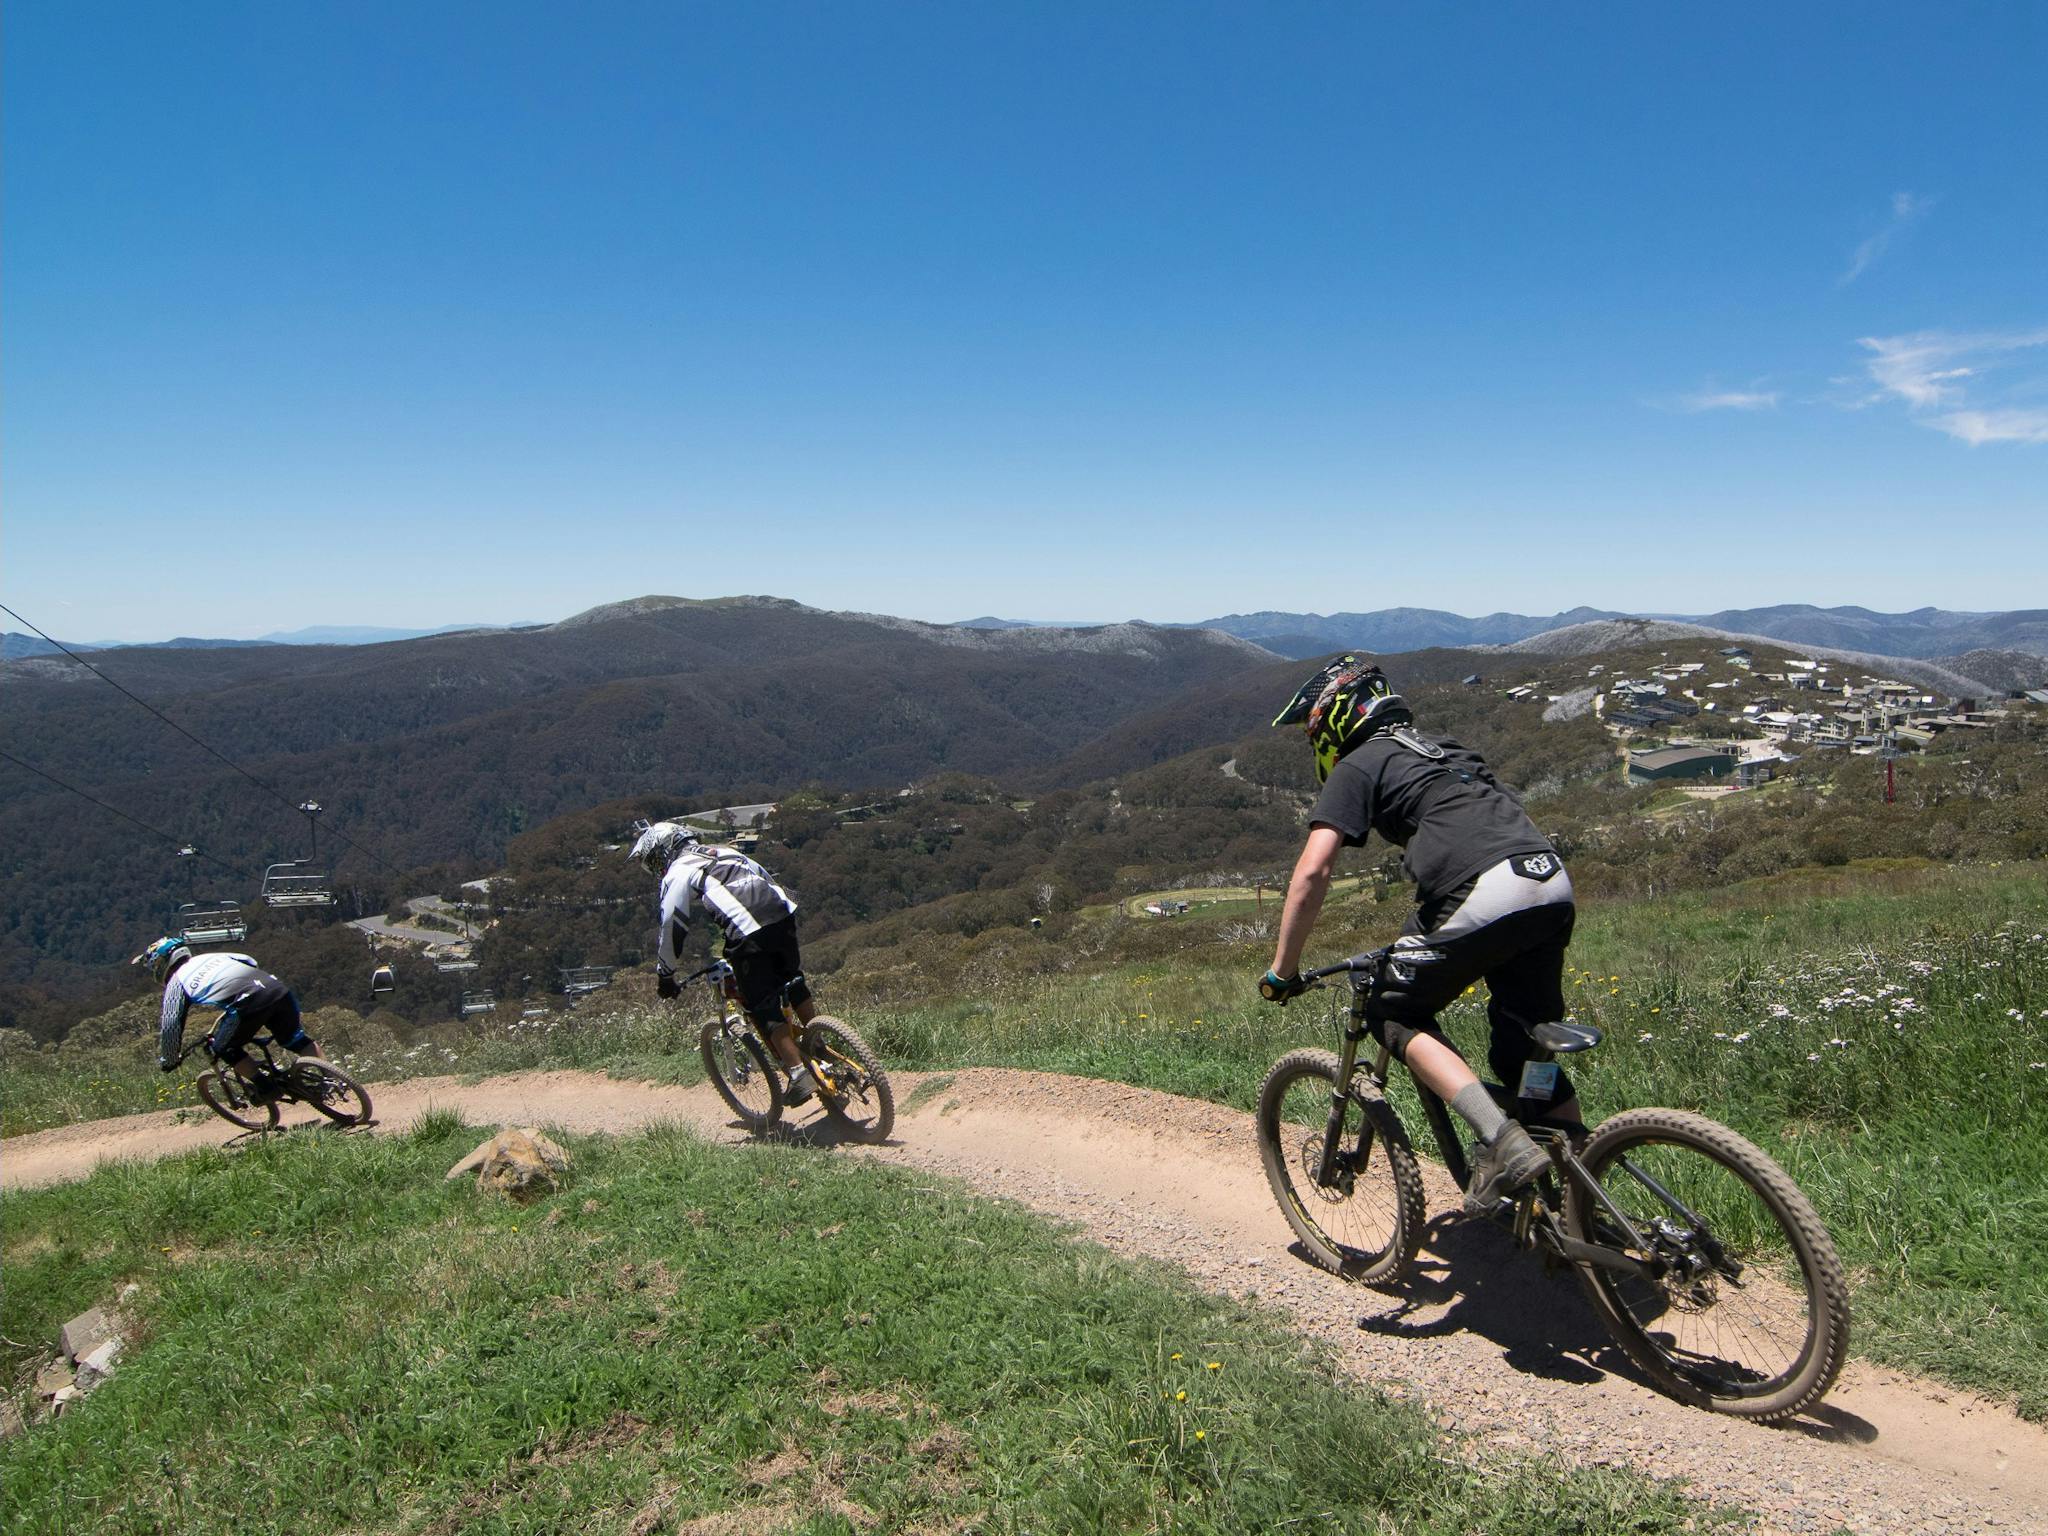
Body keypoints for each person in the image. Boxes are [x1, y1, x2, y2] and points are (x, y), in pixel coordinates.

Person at [1258, 656, 1578, 1214]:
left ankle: (1503, 1144)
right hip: (1548, 880)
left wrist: (1282, 970)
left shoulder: (1356, 766)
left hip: (1480, 889)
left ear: (1334, 724)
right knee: (1525, 1041)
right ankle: (1580, 1186)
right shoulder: (1446, 747)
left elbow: (1314, 870)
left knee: (1393, 1013)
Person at [629, 820, 820, 1104]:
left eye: (655, 859)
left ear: (665, 850)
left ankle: (797, 1074)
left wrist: (666, 975)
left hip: (746, 929)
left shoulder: (679, 871)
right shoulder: (722, 851)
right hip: (782, 913)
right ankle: (821, 1046)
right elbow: (766, 877)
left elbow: (672, 924)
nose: (656, 866)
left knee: (762, 1003)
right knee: (792, 980)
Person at [136, 937, 324, 1095]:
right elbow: (250, 961)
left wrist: (169, 1061)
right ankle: (333, 1081)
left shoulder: (176, 984)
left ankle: (266, 1087)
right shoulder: (212, 957)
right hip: (276, 988)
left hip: (247, 1004)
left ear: (160, 965)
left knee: (224, 1048)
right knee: (295, 1040)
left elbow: (171, 1023)